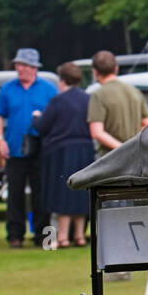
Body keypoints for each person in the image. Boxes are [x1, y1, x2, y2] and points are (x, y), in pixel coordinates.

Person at [0, 48, 55, 247]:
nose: (20, 69)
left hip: (41, 149)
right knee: (15, 194)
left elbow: (56, 116)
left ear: (35, 68)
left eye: (25, 65)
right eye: (18, 65)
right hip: (15, 149)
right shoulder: (8, 89)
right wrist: (0, 140)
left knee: (42, 194)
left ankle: (44, 237)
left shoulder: (48, 89)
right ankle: (15, 236)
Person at [35, 62, 93, 248]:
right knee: (81, 191)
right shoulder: (88, 99)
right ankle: (79, 236)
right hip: (85, 149)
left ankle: (61, 237)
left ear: (62, 80)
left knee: (61, 192)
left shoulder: (57, 101)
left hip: (60, 151)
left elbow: (42, 126)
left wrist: (35, 117)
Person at [88, 51, 148, 155]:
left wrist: (122, 148)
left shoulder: (98, 95)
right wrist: (133, 145)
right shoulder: (134, 91)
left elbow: (97, 133)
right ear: (116, 68)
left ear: (94, 72)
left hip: (110, 157)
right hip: (135, 156)